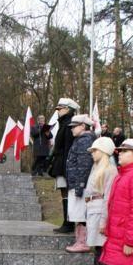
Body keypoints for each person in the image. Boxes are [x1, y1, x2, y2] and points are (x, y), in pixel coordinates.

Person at [77, 137, 118, 265]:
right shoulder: (96, 168)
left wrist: (103, 221)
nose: (92, 153)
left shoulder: (110, 170)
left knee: (102, 247)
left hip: (100, 210)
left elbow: (108, 198)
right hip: (93, 209)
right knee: (97, 246)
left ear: (103, 151)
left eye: (95, 150)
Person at [49, 97, 80, 233]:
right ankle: (67, 222)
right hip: (61, 163)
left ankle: (68, 224)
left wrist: (67, 169)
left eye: (60, 109)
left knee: (67, 193)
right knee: (64, 193)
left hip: (64, 165)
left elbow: (68, 149)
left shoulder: (68, 125)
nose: (58, 111)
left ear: (67, 109)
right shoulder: (64, 123)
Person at [65, 114, 95, 253]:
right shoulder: (81, 139)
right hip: (77, 183)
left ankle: (82, 242)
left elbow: (84, 166)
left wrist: (79, 187)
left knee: (80, 214)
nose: (72, 129)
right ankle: (80, 240)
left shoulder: (84, 140)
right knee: (78, 214)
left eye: (74, 126)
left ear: (83, 126)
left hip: (79, 185)